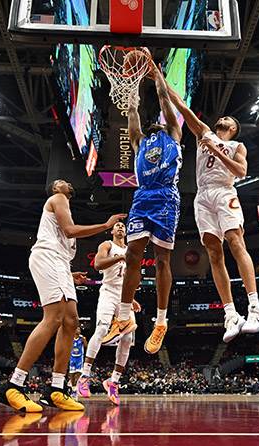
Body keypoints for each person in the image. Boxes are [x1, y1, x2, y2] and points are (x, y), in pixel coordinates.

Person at [0, 179, 126, 413]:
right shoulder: (58, 199)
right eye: (60, 182)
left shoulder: (65, 208)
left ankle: (56, 388)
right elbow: (69, 231)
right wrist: (106, 225)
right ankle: (13, 384)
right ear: (55, 189)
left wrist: (68, 273)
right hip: (48, 258)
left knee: (71, 322)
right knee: (53, 318)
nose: (65, 182)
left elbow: (65, 236)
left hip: (60, 265)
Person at [164, 82, 259, 343]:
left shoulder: (237, 146)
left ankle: (254, 308)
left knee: (235, 241)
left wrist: (219, 152)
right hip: (202, 195)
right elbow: (182, 107)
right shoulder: (204, 134)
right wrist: (158, 79)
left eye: (227, 119)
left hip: (224, 191)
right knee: (212, 251)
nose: (222, 118)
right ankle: (230, 314)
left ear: (232, 129)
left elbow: (240, 173)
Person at [102, 59, 183, 355]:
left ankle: (161, 321)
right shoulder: (139, 142)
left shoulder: (173, 132)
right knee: (132, 256)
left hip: (165, 198)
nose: (154, 123)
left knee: (162, 260)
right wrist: (132, 83)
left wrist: (156, 73)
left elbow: (163, 99)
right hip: (142, 197)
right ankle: (123, 318)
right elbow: (132, 112)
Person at [76, 222, 141, 405]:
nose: (120, 227)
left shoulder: (130, 250)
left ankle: (113, 381)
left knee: (128, 338)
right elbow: (98, 264)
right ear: (112, 231)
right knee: (102, 328)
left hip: (125, 295)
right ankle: (84, 376)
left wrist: (132, 298)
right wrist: (120, 258)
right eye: (117, 226)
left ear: (126, 232)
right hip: (108, 291)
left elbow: (129, 277)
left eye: (123, 226)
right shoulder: (107, 245)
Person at [67, 327, 87, 398]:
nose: (78, 330)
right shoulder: (71, 338)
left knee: (78, 374)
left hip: (79, 358)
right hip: (72, 358)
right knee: (72, 375)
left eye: (79, 329)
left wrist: (84, 340)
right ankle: (73, 389)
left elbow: (85, 346)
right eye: (76, 329)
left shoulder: (82, 338)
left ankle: (75, 389)